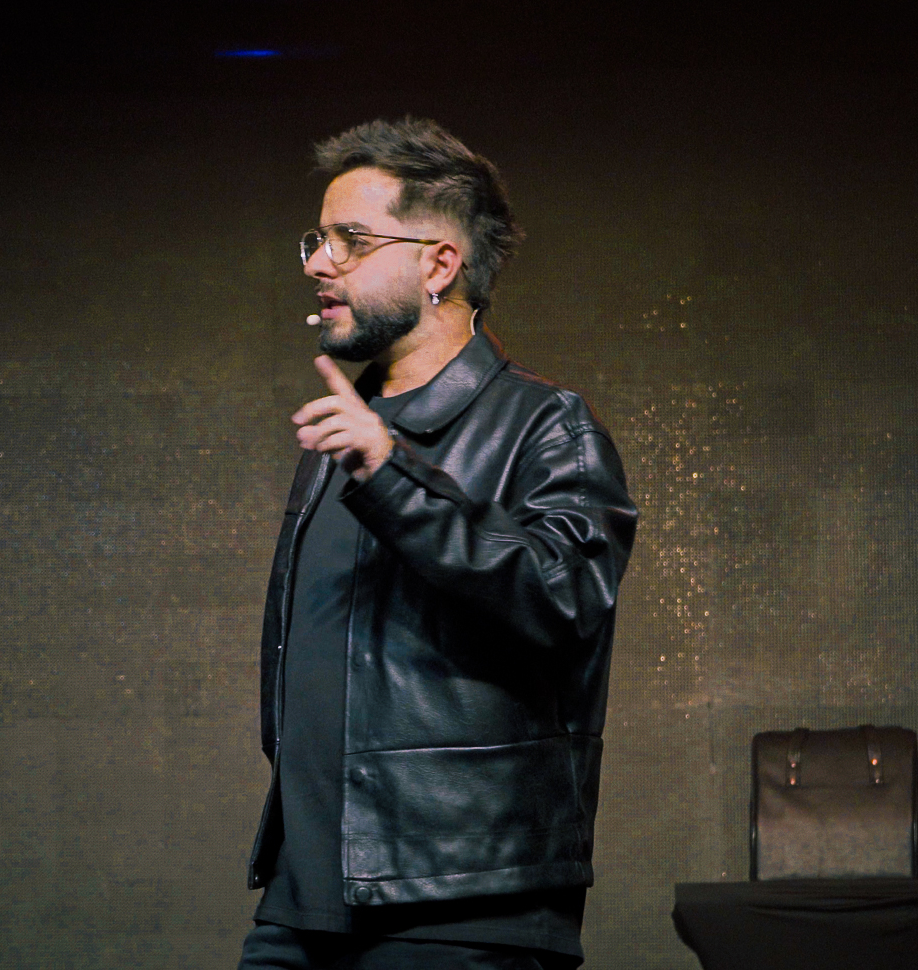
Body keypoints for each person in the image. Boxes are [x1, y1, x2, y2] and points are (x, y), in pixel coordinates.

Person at [239, 117, 637, 970]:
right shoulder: (349, 430)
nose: (317, 263)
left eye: (350, 240)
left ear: (439, 264)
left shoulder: (547, 426)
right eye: (317, 239)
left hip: (462, 910)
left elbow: (562, 599)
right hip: (305, 905)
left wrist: (390, 471)